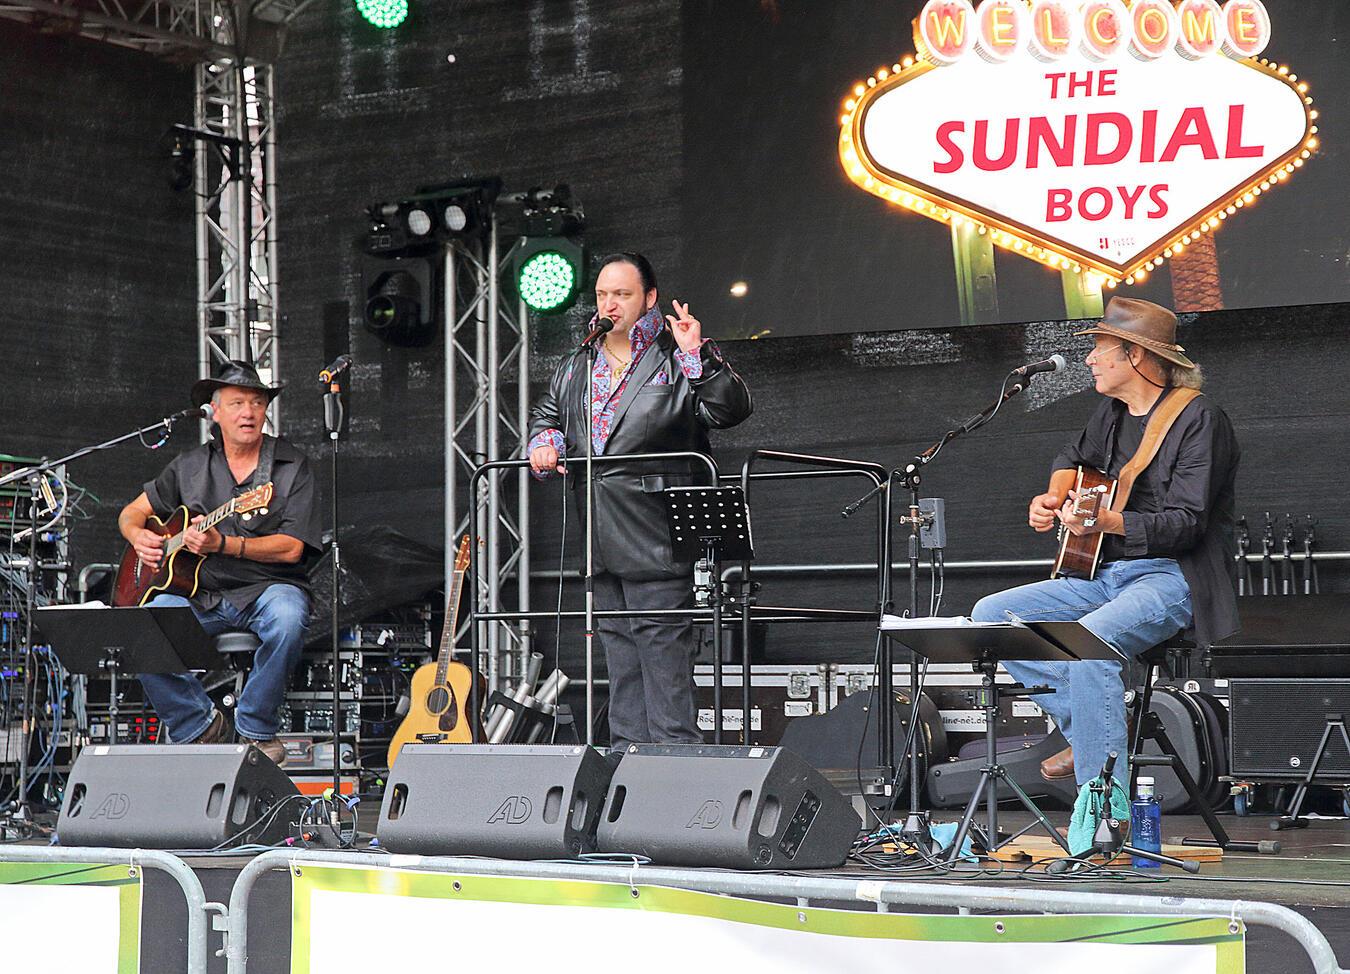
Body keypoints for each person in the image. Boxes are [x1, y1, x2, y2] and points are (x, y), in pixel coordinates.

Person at [971, 297, 1239, 787]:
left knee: (1089, 643)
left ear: (1136, 355)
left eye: (1100, 348)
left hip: (1172, 576)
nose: (1090, 359)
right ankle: (1095, 722)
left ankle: (1101, 811)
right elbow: (1071, 458)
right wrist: (1053, 499)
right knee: (992, 615)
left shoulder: (1200, 419)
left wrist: (1107, 521)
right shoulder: (1111, 413)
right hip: (1102, 575)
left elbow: (1188, 524)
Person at [527, 253, 753, 751]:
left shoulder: (674, 357)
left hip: (655, 534)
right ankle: (625, 770)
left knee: (664, 665)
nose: (609, 304)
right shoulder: (577, 363)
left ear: (649, 298)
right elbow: (549, 415)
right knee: (621, 665)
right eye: (603, 294)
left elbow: (729, 410)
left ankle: (676, 775)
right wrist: (546, 442)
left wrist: (697, 356)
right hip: (599, 537)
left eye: (622, 294)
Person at [118, 361, 322, 765]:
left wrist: (224, 544)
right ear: (214, 412)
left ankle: (256, 729)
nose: (248, 412)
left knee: (287, 618)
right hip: (202, 594)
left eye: (257, 403)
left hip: (267, 588)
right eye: (237, 403)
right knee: (141, 628)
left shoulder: (291, 467)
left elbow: (292, 549)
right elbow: (131, 513)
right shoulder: (189, 466)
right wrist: (137, 536)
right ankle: (199, 725)